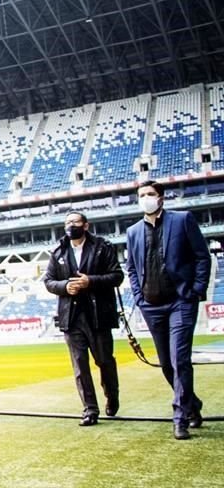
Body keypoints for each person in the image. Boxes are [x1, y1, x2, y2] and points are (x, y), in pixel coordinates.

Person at [125, 180, 210, 440]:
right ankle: (192, 405)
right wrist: (139, 298)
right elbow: (131, 269)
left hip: (180, 302)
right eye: (142, 195)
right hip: (151, 305)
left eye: (150, 194)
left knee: (179, 360)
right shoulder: (133, 231)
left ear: (161, 198)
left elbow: (202, 257)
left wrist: (195, 290)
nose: (146, 198)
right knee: (166, 364)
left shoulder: (182, 220)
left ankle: (179, 417)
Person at [42, 210, 122, 426]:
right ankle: (90, 409)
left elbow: (117, 276)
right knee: (80, 365)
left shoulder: (103, 247)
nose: (71, 225)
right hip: (71, 317)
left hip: (98, 316)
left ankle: (112, 395)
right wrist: (65, 286)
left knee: (104, 361)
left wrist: (91, 281)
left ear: (85, 225)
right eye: (67, 222)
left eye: (75, 221)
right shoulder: (58, 251)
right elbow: (49, 282)